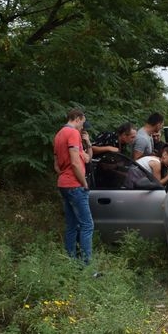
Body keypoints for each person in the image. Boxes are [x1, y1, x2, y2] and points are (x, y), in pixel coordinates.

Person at [53, 108, 96, 269]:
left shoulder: (58, 135)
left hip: (63, 184)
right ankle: (86, 266)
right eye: (82, 122)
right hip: (75, 185)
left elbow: (57, 166)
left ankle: (70, 261)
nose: (82, 127)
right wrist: (83, 183)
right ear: (78, 118)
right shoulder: (72, 133)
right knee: (87, 225)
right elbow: (75, 162)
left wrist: (88, 143)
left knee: (71, 225)